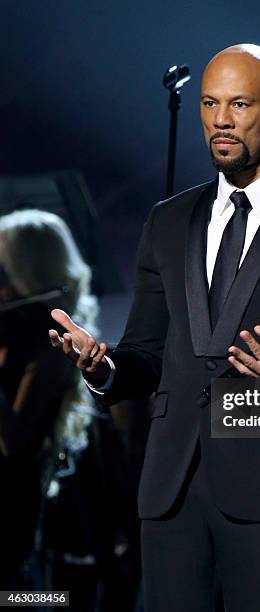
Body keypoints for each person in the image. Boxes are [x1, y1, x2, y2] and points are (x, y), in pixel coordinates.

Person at [49, 44, 260, 612]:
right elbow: (146, 354)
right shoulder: (169, 220)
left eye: (240, 105)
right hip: (170, 492)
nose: (221, 121)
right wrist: (103, 367)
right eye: (208, 103)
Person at [0, 209, 97, 589]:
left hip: (10, 508)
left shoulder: (51, 343)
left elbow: (14, 442)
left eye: (4, 270)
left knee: (14, 597)